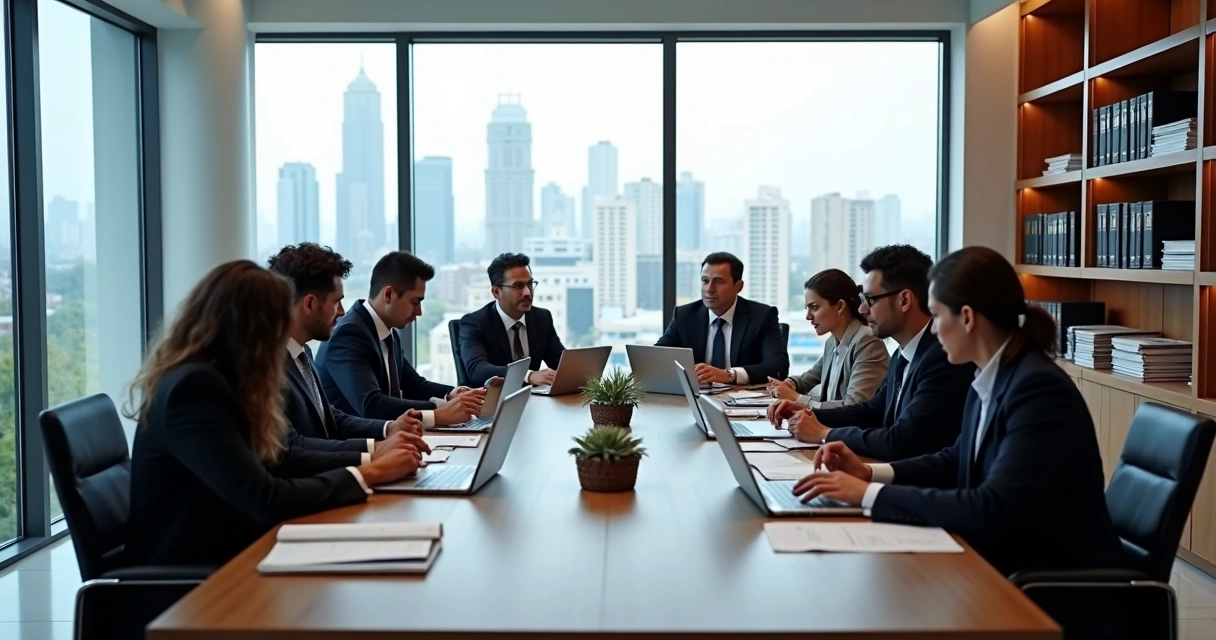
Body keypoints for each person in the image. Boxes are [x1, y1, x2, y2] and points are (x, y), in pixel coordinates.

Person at [792, 246, 1121, 577]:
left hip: (1048, 582)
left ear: (967, 317)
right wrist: (870, 474)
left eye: (936, 316)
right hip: (999, 559)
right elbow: (956, 459)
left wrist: (870, 495)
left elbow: (990, 507)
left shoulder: (1037, 390)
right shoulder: (991, 375)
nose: (932, 330)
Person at [125, 260, 427, 567]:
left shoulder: (226, 378)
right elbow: (265, 497)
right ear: (251, 327)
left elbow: (276, 459)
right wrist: (371, 470)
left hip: (240, 545)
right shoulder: (193, 390)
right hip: (195, 578)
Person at [767, 245, 974, 462]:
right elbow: (871, 411)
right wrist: (809, 413)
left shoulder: (942, 358)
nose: (862, 310)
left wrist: (824, 433)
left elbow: (901, 441)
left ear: (904, 300)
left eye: (871, 300)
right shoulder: (903, 355)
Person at [268, 243, 425, 455]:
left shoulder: (302, 353)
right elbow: (293, 446)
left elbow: (329, 418)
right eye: (336, 302)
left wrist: (388, 428)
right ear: (310, 304)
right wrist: (375, 451)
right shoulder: (267, 365)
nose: (342, 312)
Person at [315, 251, 484, 426]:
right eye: (415, 302)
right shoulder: (349, 334)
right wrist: (440, 410)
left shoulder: (387, 331)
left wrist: (453, 395)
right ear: (388, 294)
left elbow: (414, 385)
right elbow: (372, 405)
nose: (419, 312)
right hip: (358, 445)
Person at [655, 251, 789, 384]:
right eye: (705, 281)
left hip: (743, 399)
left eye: (718, 281)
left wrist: (729, 375)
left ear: (738, 286)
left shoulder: (762, 316)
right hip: (697, 398)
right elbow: (657, 357)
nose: (709, 289)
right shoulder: (685, 315)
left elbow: (778, 367)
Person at [767, 269, 889, 409]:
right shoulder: (832, 342)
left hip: (852, 429)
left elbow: (853, 406)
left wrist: (796, 398)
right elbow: (807, 379)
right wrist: (788, 384)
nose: (808, 316)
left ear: (840, 306)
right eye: (807, 308)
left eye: (814, 307)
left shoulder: (867, 342)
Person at [459, 252, 565, 386]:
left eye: (530, 284)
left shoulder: (542, 318)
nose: (528, 292)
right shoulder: (475, 323)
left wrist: (580, 372)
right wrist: (529, 375)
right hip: (490, 402)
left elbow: (560, 362)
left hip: (533, 399)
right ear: (496, 292)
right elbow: (477, 369)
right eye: (518, 286)